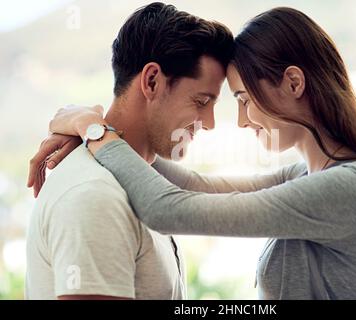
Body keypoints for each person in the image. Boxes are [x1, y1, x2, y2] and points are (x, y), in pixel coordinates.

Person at [29, 7, 356, 299]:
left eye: (244, 100)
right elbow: (196, 186)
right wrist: (94, 130)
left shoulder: (349, 189)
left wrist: (95, 131)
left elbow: (169, 210)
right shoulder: (307, 176)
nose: (241, 121)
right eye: (207, 100)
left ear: (293, 83)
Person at [25, 2, 234, 300]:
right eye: (201, 102)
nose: (210, 123)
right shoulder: (96, 196)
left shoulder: (142, 182)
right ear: (152, 81)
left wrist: (90, 126)